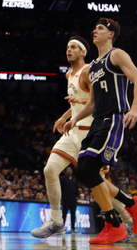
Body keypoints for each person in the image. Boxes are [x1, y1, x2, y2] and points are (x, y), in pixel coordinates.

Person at [63, 18, 137, 245]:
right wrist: (74, 119)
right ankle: (132, 203)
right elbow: (92, 101)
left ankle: (113, 224)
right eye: (94, 28)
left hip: (115, 119)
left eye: (100, 28)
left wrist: (135, 109)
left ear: (111, 34)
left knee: (89, 167)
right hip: (98, 121)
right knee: (82, 172)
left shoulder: (117, 55)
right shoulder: (93, 66)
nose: (95, 31)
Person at [32, 36, 93, 238]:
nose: (69, 50)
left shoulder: (89, 71)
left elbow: (99, 101)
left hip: (89, 132)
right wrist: (63, 116)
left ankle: (126, 218)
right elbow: (74, 103)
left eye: (73, 47)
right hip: (72, 130)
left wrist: (80, 101)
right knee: (50, 169)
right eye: (67, 47)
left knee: (98, 182)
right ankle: (57, 221)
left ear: (83, 52)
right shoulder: (69, 75)